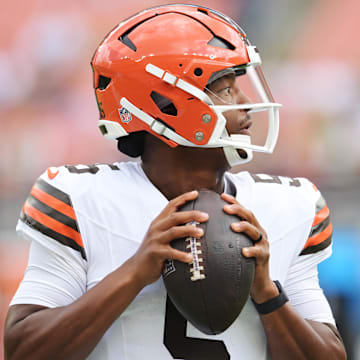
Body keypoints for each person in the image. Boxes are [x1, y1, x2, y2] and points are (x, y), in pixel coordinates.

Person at [4, 4, 346, 360]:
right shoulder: (79, 199)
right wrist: (134, 274)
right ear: (168, 103)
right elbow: (24, 351)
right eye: (226, 89)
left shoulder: (289, 204)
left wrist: (267, 292)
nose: (246, 105)